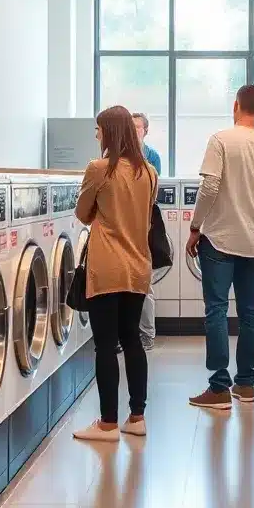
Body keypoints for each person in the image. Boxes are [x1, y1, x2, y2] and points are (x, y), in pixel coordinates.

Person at [186, 84, 254, 409]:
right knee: (250, 314)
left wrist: (195, 226)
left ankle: (218, 388)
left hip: (217, 238)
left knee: (216, 310)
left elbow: (210, 186)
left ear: (235, 106)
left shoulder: (220, 140)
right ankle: (246, 385)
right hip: (253, 243)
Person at [72, 105, 157, 442]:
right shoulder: (149, 171)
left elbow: (82, 214)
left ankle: (107, 423)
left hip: (107, 267)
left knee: (105, 346)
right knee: (132, 339)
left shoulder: (98, 169)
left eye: (98, 129)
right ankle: (137, 417)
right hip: (138, 266)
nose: (96, 135)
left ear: (109, 132)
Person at [132, 112, 160, 352]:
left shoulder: (152, 158)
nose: (134, 131)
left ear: (146, 130)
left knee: (144, 284)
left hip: (143, 227)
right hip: (126, 229)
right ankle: (129, 334)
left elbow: (152, 193)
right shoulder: (113, 157)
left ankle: (147, 334)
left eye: (138, 127)